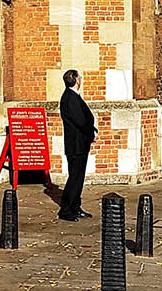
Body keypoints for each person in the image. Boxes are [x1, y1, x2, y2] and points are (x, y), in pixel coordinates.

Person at [58, 69, 97, 221]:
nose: (81, 80)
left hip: (79, 143)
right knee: (75, 177)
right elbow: (80, 121)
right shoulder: (70, 98)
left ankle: (75, 206)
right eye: (79, 78)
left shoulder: (73, 96)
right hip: (76, 144)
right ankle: (66, 209)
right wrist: (91, 133)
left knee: (78, 177)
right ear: (75, 80)